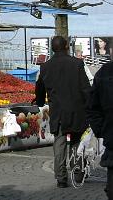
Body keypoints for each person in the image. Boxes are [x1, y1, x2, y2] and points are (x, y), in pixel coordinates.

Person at [35, 35, 91, 188]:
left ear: (53, 48)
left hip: (58, 112)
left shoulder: (45, 67)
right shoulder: (77, 64)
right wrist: (91, 106)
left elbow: (40, 89)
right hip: (76, 111)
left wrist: (40, 102)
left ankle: (61, 178)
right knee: (76, 142)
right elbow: (86, 89)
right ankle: (77, 172)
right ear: (66, 46)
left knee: (59, 144)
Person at [87, 59, 113, 200]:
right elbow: (93, 107)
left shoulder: (104, 72)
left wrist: (103, 131)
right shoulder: (104, 72)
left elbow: (92, 107)